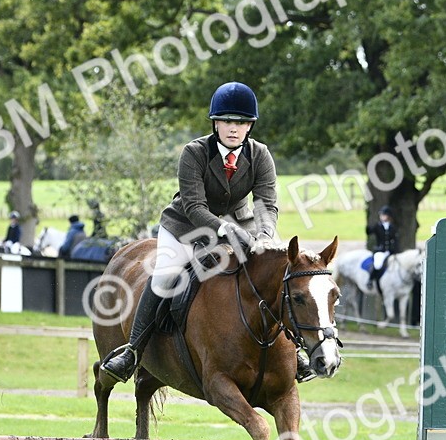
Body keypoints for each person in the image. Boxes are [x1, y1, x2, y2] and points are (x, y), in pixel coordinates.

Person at [100, 81, 307, 382]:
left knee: (272, 271)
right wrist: (224, 229)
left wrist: (264, 235)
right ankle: (133, 351)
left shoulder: (260, 155)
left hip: (240, 221)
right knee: (165, 275)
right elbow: (195, 207)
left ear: (250, 126)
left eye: (240, 122)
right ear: (215, 123)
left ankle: (293, 351)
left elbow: (266, 205)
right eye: (226, 121)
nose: (233, 128)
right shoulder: (194, 152)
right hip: (186, 225)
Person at [366, 206, 399, 291]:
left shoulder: (393, 227)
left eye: (383, 215)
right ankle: (370, 280)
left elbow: (395, 240)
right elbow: (369, 232)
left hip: (390, 251)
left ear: (388, 216)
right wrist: (368, 227)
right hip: (380, 250)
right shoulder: (377, 226)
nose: (382, 217)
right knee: (378, 264)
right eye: (381, 215)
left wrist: (395, 249)